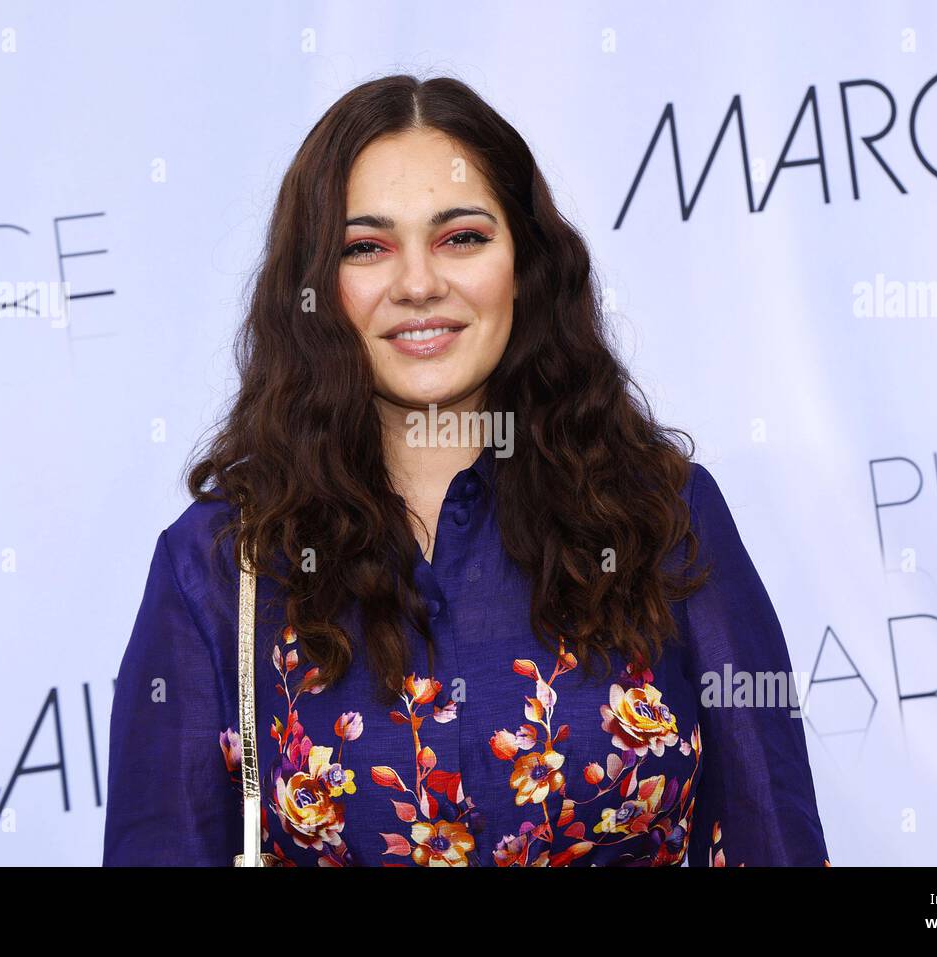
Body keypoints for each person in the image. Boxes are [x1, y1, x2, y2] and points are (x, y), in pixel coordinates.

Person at [102, 74, 829, 867]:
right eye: (367, 247)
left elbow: (771, 832)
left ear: (524, 262)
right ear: (317, 286)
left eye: (462, 237)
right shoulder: (221, 567)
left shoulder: (662, 516)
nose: (419, 284)